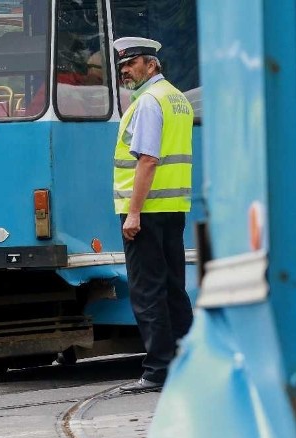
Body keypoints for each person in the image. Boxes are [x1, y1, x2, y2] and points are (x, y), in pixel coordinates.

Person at [112, 37, 194, 394]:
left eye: (131, 64)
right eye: (121, 67)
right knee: (174, 288)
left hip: (146, 211)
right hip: (173, 208)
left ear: (150, 64)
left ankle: (158, 369)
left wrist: (133, 213)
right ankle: (187, 362)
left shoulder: (148, 102)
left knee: (147, 291)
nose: (125, 71)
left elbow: (147, 159)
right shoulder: (177, 98)